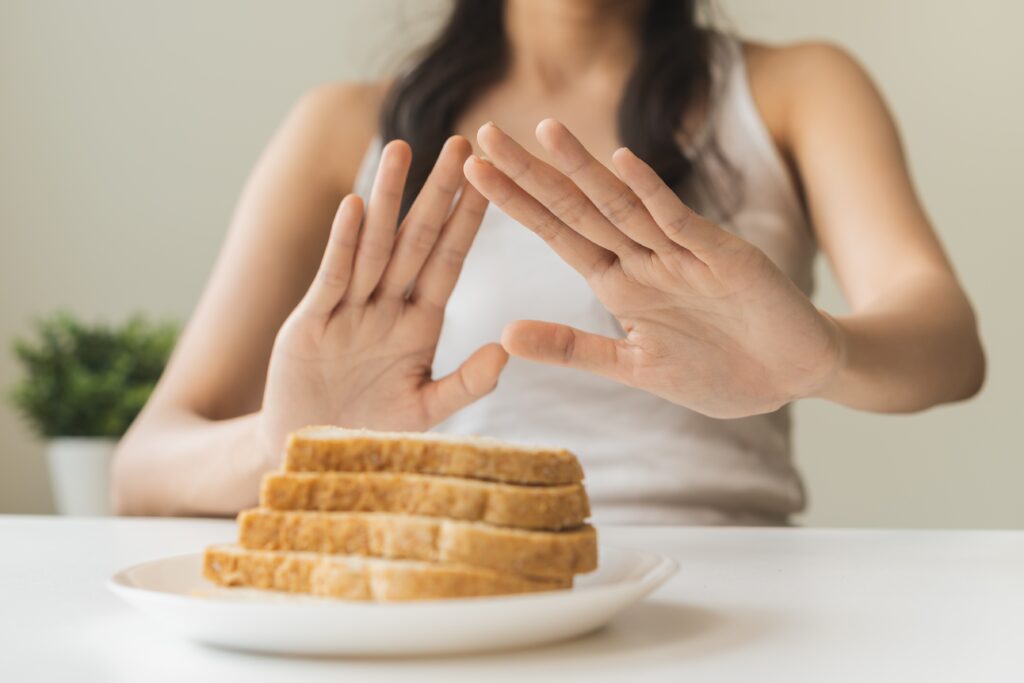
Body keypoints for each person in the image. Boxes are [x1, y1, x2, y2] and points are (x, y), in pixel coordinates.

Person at [112, 0, 985, 524]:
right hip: (449, 593)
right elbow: (142, 468)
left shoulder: (798, 87)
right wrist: (288, 451)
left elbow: (947, 345)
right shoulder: (339, 126)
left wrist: (826, 354)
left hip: (739, 596)